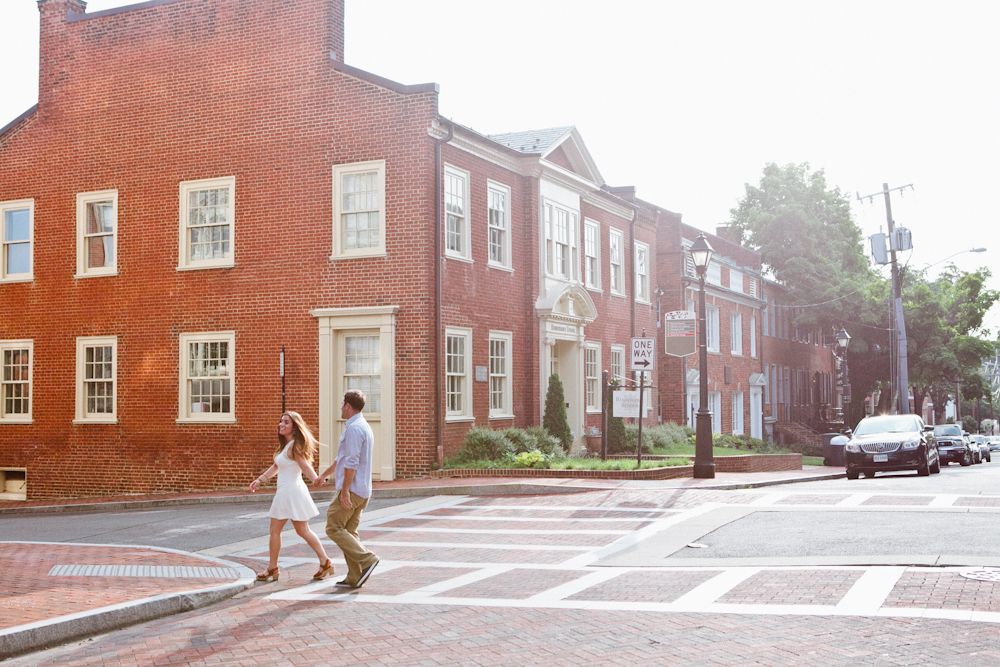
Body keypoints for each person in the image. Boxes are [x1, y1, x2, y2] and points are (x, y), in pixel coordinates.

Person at [249, 411, 334, 583]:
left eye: (286, 422)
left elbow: (304, 466)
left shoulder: (294, 447)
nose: (281, 424)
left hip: (290, 492)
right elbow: (275, 467)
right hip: (290, 492)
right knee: (302, 530)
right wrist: (259, 480)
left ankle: (272, 569)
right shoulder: (286, 447)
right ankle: (325, 562)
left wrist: (316, 479)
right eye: (280, 421)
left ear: (294, 428)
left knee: (276, 531)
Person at [315, 390, 379, 588]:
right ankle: (355, 575)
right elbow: (342, 459)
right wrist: (324, 474)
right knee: (349, 533)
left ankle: (367, 559)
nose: (341, 407)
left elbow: (351, 463)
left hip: (352, 490)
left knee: (333, 527)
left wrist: (344, 492)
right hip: (363, 490)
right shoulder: (362, 426)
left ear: (348, 407)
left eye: (342, 404)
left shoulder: (354, 429)